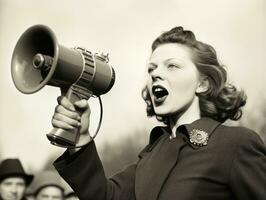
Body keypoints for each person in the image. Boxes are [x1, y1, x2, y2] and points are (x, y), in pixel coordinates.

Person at [51, 27, 266, 199]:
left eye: (172, 66)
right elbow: (105, 196)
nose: (156, 75)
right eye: (151, 69)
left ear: (202, 84)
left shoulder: (235, 144)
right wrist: (80, 138)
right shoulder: (151, 155)